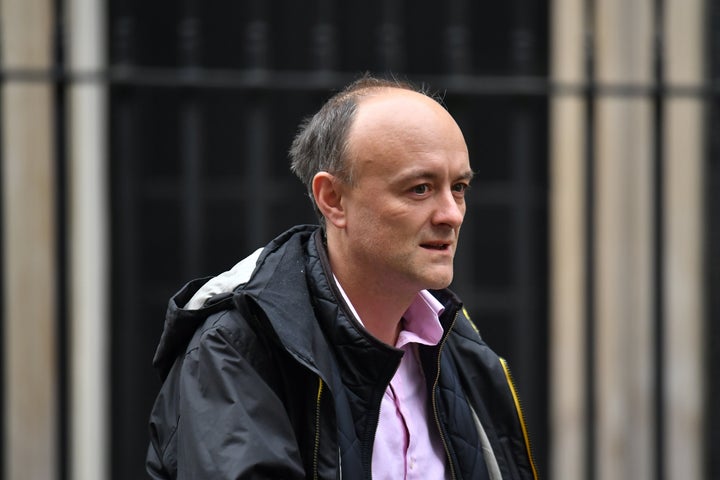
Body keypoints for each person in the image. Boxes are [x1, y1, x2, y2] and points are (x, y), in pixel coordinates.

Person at [146, 75, 538, 479]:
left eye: (458, 188)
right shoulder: (236, 346)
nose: (451, 214)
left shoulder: (462, 351)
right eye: (420, 189)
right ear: (332, 199)